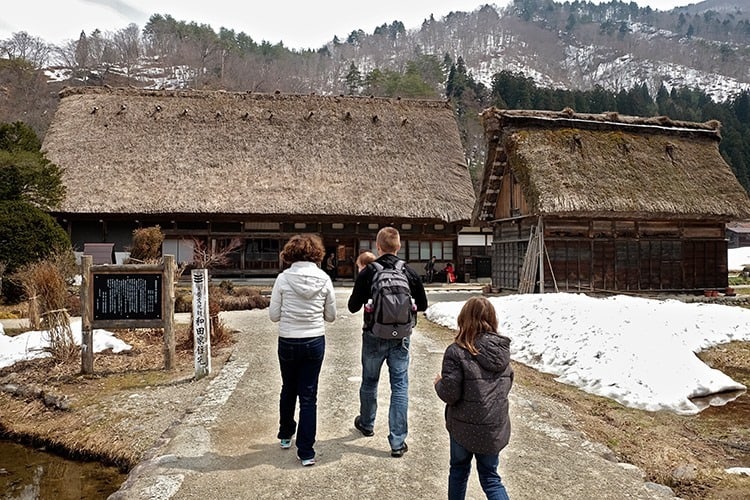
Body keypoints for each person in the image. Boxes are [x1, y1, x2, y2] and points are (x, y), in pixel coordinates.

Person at [348, 227, 428, 457]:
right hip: (401, 337)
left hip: (373, 334)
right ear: (399, 247)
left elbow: (352, 306)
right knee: (400, 387)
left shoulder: (369, 272)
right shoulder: (409, 272)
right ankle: (397, 441)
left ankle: (367, 423)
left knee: (370, 381)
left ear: (378, 247)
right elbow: (422, 305)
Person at [434, 297, 513, 500]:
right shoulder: (502, 352)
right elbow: (507, 385)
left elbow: (450, 394)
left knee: (459, 471)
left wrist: (438, 383)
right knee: (491, 478)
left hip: (463, 426)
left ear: (463, 319)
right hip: (492, 426)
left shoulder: (456, 351)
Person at [269, 234, 337, 467]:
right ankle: (306, 451)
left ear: (290, 254)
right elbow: (331, 316)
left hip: (288, 338)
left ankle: (286, 434)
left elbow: (273, 315)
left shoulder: (283, 279)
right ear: (316, 254)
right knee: (309, 395)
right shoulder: (324, 279)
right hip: (314, 339)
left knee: (288, 387)